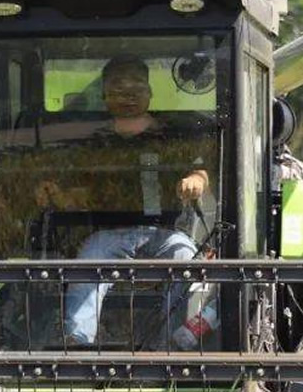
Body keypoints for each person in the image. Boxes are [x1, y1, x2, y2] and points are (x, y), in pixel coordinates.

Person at [59, 55, 213, 347]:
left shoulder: (172, 134)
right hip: (107, 235)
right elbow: (73, 187)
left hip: (166, 233)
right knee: (88, 263)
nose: (128, 95)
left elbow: (199, 168)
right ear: (104, 95)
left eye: (136, 87)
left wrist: (197, 179)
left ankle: (170, 346)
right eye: (119, 88)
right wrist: (58, 194)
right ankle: (78, 342)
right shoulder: (92, 141)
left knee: (188, 261)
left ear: (150, 92)